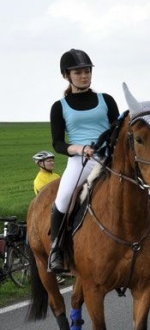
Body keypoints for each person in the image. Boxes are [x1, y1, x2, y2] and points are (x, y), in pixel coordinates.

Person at [48, 49, 121, 273]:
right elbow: (58, 144)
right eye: (78, 72)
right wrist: (79, 148)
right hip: (80, 160)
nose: (85, 75)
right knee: (63, 198)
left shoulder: (106, 100)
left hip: (108, 156)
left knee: (143, 186)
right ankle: (56, 250)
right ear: (66, 75)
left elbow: (117, 129)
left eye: (87, 71)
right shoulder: (59, 107)